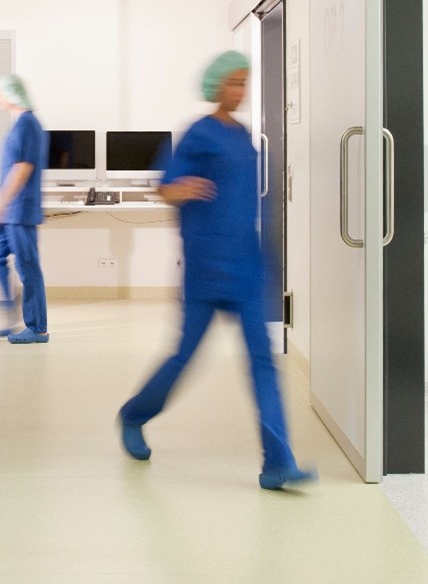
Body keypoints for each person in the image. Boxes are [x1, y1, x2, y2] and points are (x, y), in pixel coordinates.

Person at [117, 50, 316, 490]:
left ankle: (278, 463)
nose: (240, 91)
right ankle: (133, 416)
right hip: (206, 270)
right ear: (215, 85)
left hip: (245, 268)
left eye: (245, 83)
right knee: (183, 358)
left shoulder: (245, 137)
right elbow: (165, 186)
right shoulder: (197, 134)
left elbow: (251, 203)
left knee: (264, 364)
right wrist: (179, 188)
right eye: (233, 83)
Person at [0, 74, 50, 344]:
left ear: (11, 94)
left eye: (0, 94)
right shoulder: (19, 123)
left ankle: (38, 328)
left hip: (20, 210)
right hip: (10, 213)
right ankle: (13, 317)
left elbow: (22, 169)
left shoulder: (28, 124)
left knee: (28, 267)